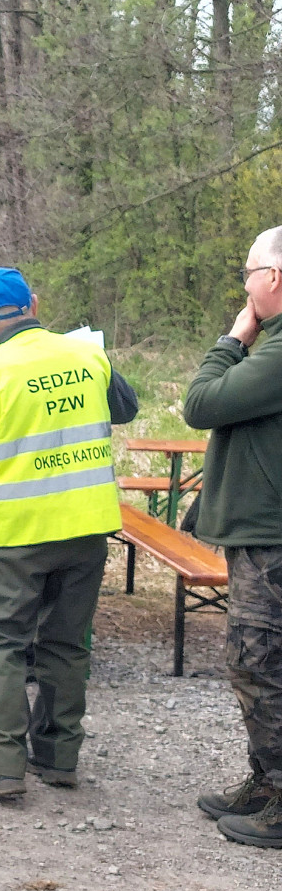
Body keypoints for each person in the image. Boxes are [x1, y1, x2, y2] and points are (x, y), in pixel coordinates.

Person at [0, 266, 137, 798]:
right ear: (34, 304)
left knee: (0, 643)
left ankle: (0, 768)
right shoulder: (87, 356)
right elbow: (126, 407)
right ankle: (59, 757)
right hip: (86, 524)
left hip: (14, 531)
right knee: (66, 643)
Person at [182, 225, 282, 846]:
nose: (244, 287)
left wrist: (231, 341)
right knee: (256, 660)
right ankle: (266, 782)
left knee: (260, 661)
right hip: (262, 530)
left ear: (274, 277)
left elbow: (202, 404)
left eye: (248, 273)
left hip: (272, 536)